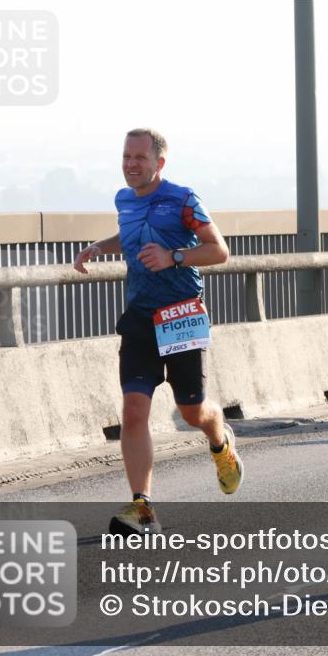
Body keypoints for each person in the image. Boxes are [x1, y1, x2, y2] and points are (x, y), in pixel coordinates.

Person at [74, 128, 242, 534]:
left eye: (140, 158)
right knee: (134, 411)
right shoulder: (123, 199)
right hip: (140, 318)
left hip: (180, 315)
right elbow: (129, 238)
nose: (131, 165)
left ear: (159, 163)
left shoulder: (183, 199)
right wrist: (100, 246)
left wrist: (174, 256)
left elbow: (219, 250)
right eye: (126, 157)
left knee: (192, 413)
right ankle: (142, 507)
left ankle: (219, 438)